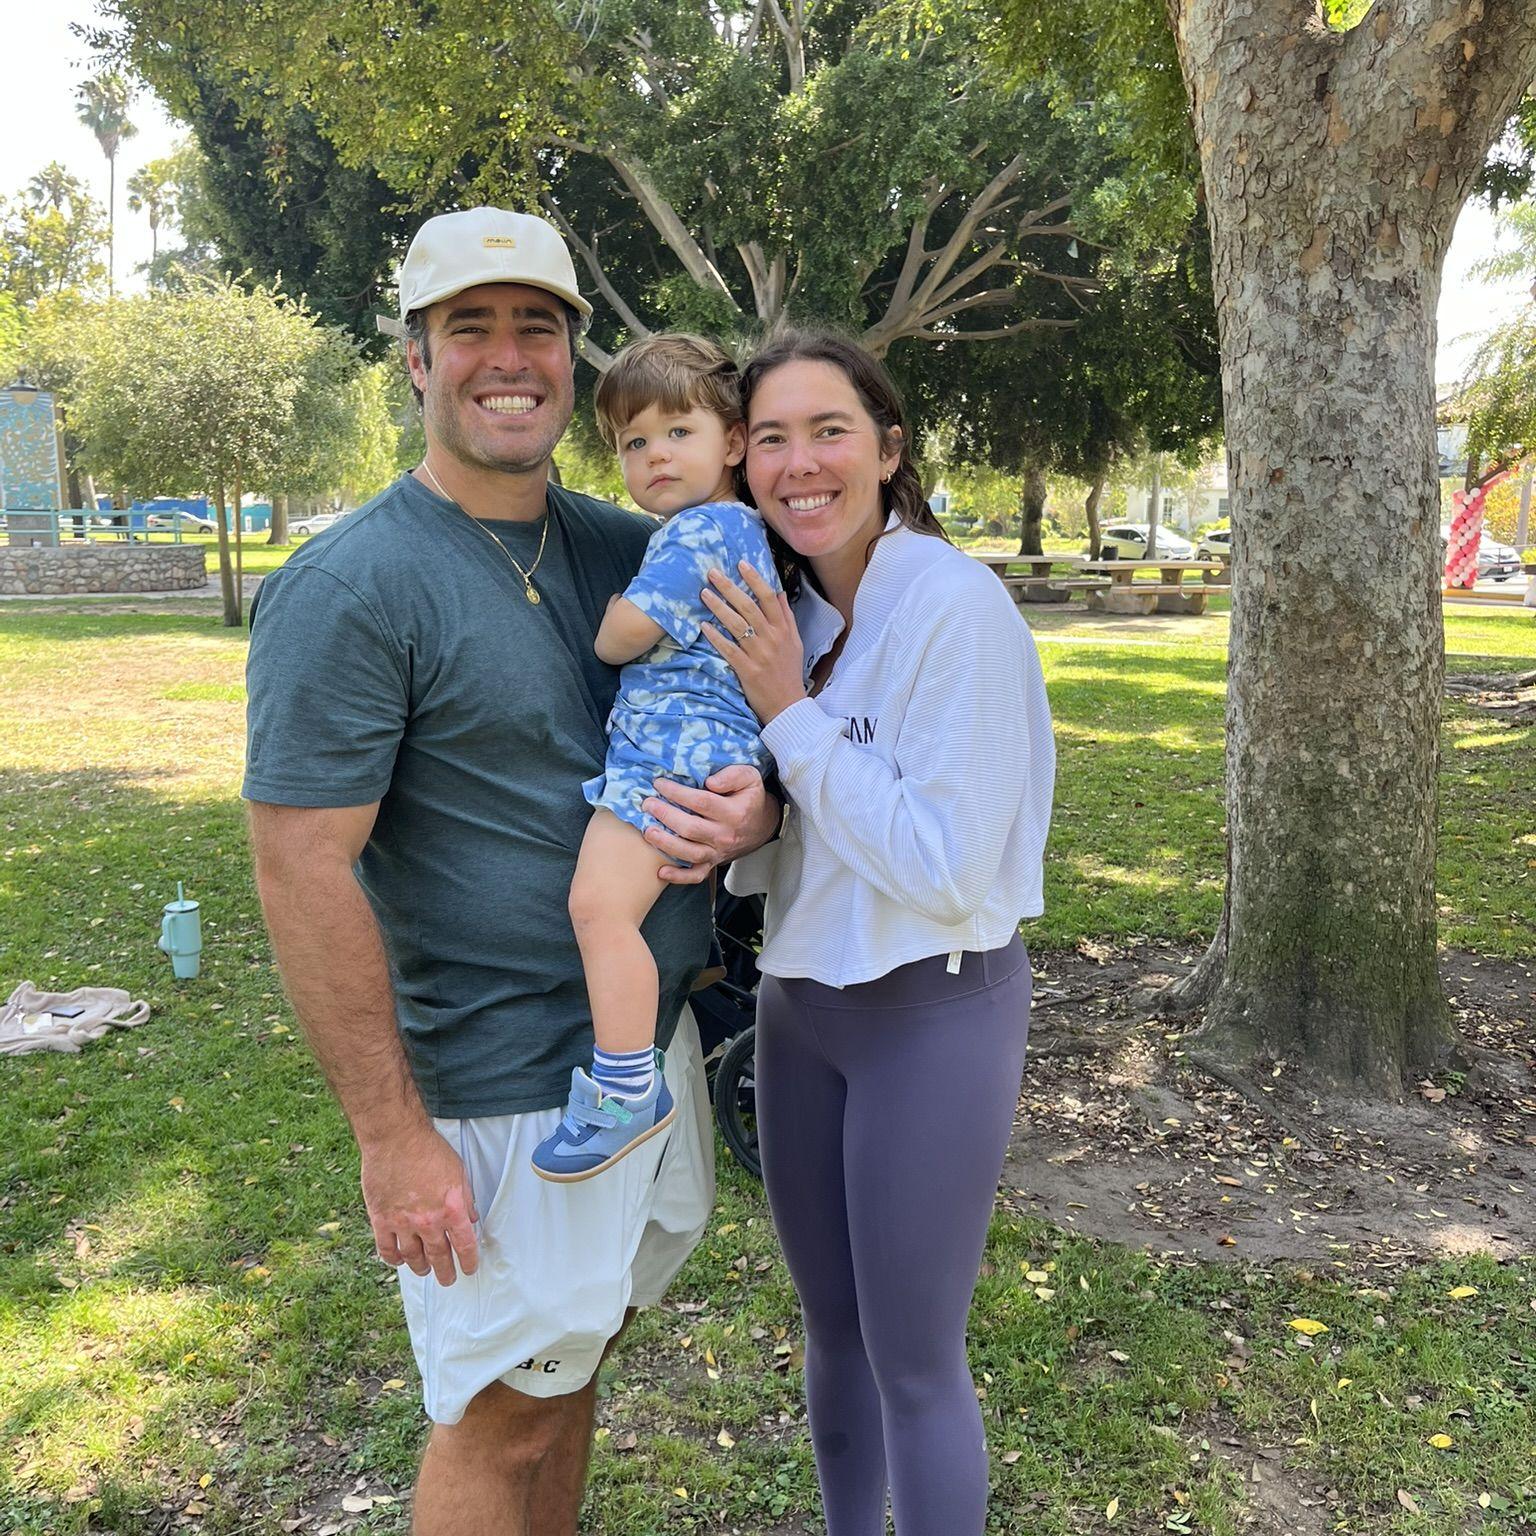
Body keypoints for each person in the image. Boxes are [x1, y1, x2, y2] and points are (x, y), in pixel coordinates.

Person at [241, 207, 779, 1536]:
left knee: (575, 1366)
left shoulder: (633, 545)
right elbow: (302, 868)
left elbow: (753, 700)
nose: (506, 357)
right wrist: (389, 1135)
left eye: (536, 327)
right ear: (416, 360)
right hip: (497, 1084)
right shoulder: (352, 584)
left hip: (639, 1056)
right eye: (466, 328)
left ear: (571, 361)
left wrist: (758, 801)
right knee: (501, 1414)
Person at [711, 330, 1055, 1536]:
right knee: (834, 1333)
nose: (799, 464)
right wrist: (750, 813)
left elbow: (947, 869)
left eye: (830, 431)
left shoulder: (954, 606)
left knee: (914, 1358)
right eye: (770, 439)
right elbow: (797, 820)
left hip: (932, 1012)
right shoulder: (787, 612)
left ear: (890, 449)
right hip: (798, 1007)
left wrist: (787, 715)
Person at [532, 334, 780, 1181]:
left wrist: (611, 617)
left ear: (734, 442)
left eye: (679, 431)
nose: (656, 456)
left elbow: (622, 636)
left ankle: (624, 1089)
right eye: (635, 442)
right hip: (700, 751)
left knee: (599, 910)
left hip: (670, 758)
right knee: (619, 910)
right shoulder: (742, 529)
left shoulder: (697, 533)